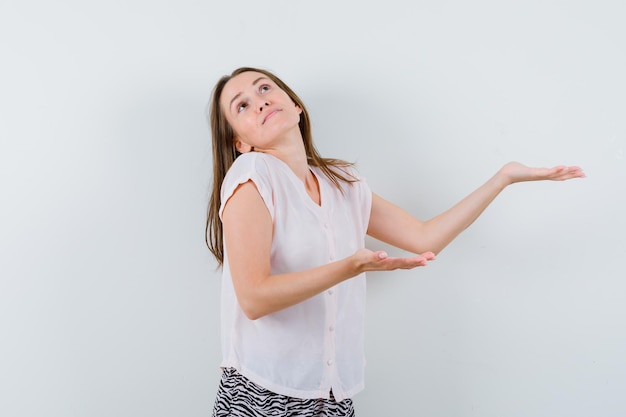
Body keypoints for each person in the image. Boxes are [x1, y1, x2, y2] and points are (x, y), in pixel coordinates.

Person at [205, 66, 585, 417]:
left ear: (296, 105)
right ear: (240, 142)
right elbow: (253, 298)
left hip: (332, 393)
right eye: (243, 106)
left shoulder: (342, 183)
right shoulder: (252, 174)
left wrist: (502, 178)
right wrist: (350, 266)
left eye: (265, 88)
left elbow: (424, 237)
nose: (261, 102)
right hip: (262, 391)